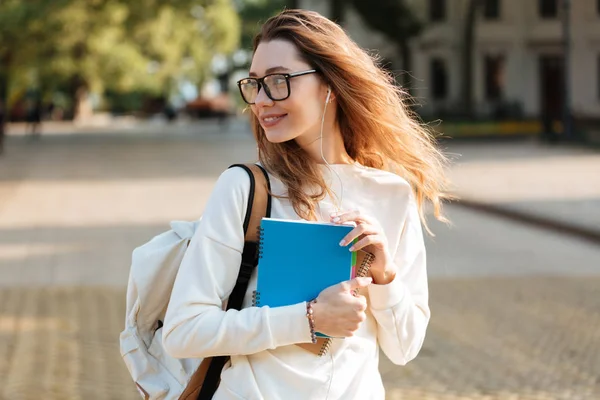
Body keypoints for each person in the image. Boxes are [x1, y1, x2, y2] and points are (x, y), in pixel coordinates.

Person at [163, 9, 450, 400]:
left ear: (329, 83)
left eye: (279, 81)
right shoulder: (245, 188)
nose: (261, 101)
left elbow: (404, 348)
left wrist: (384, 275)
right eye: (255, 84)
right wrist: (307, 319)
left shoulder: (391, 194)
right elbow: (183, 330)